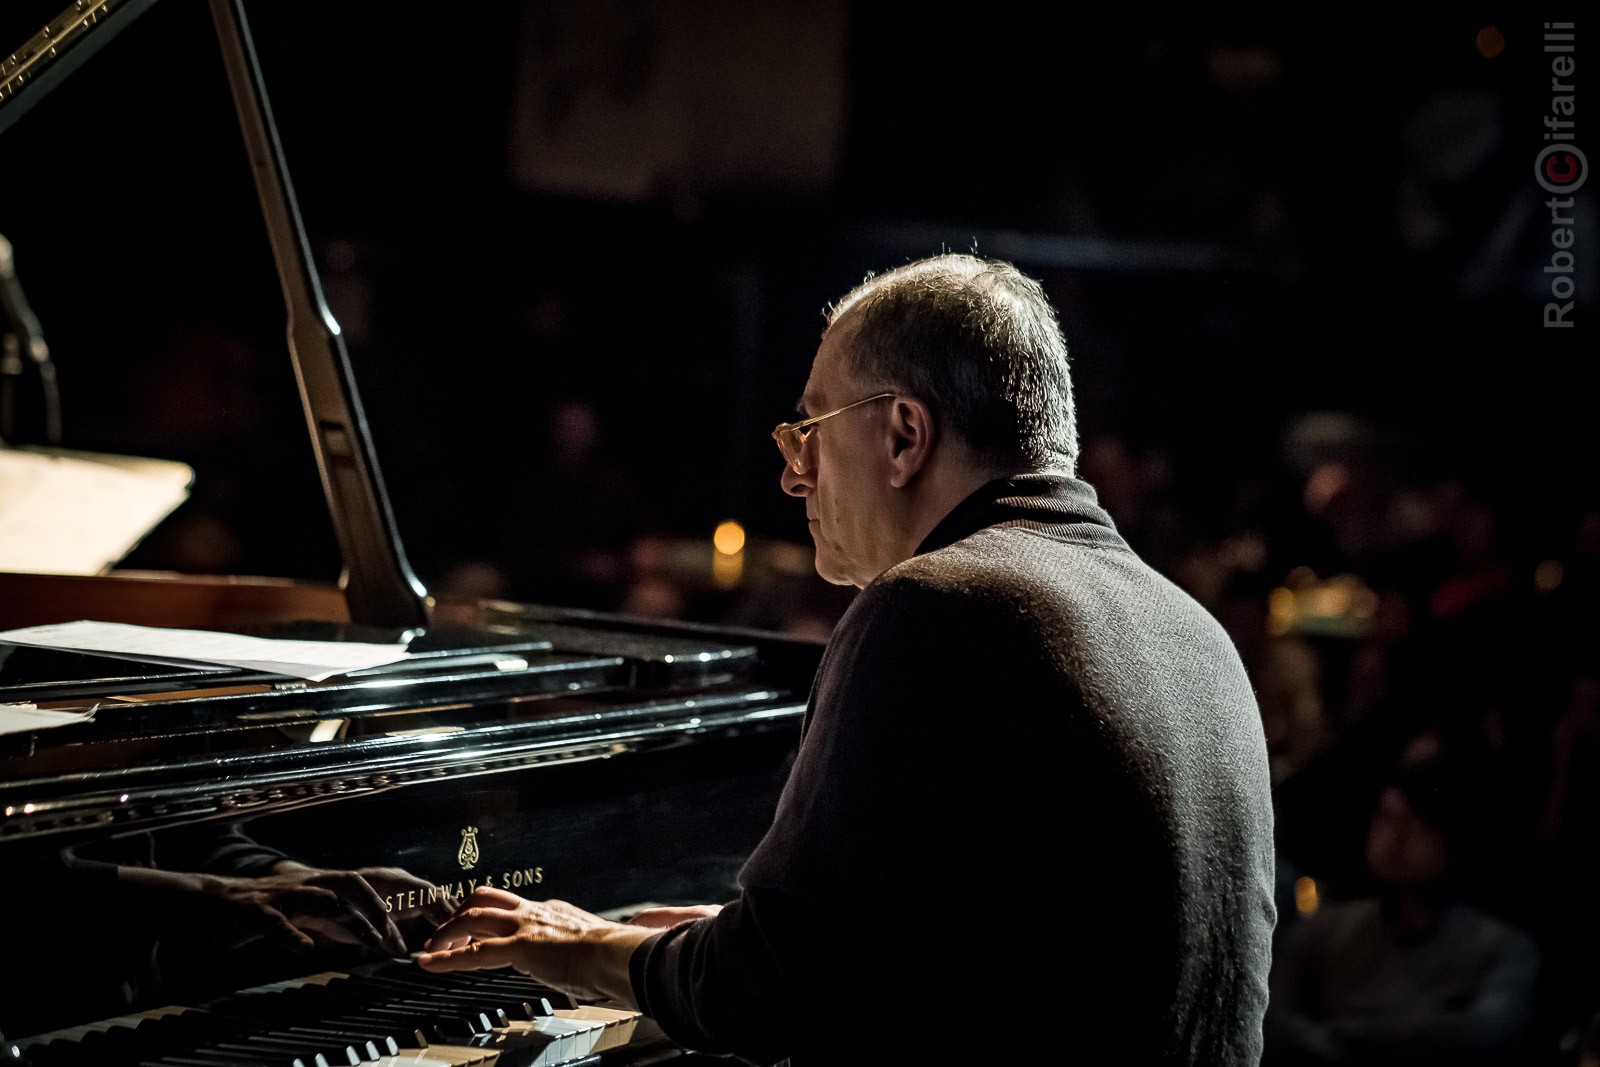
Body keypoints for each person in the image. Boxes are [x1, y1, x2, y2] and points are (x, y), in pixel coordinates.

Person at [420, 254, 1277, 1065]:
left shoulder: (935, 607)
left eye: (811, 432)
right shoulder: (1196, 633)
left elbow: (762, 993)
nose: (795, 477)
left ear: (905, 434)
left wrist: (585, 943)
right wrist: (727, 936)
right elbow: (1028, 953)